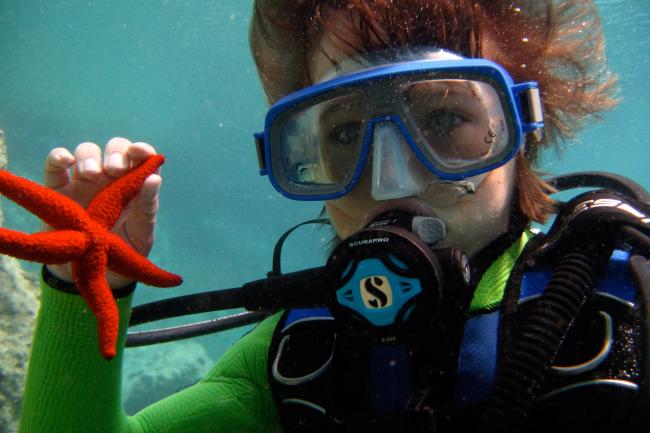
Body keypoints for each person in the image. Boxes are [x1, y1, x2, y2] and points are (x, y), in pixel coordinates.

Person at [18, 1, 649, 432]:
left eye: (444, 120)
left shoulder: (630, 309)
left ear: (521, 130)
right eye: (346, 135)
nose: (391, 182)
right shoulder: (298, 356)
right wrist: (84, 286)